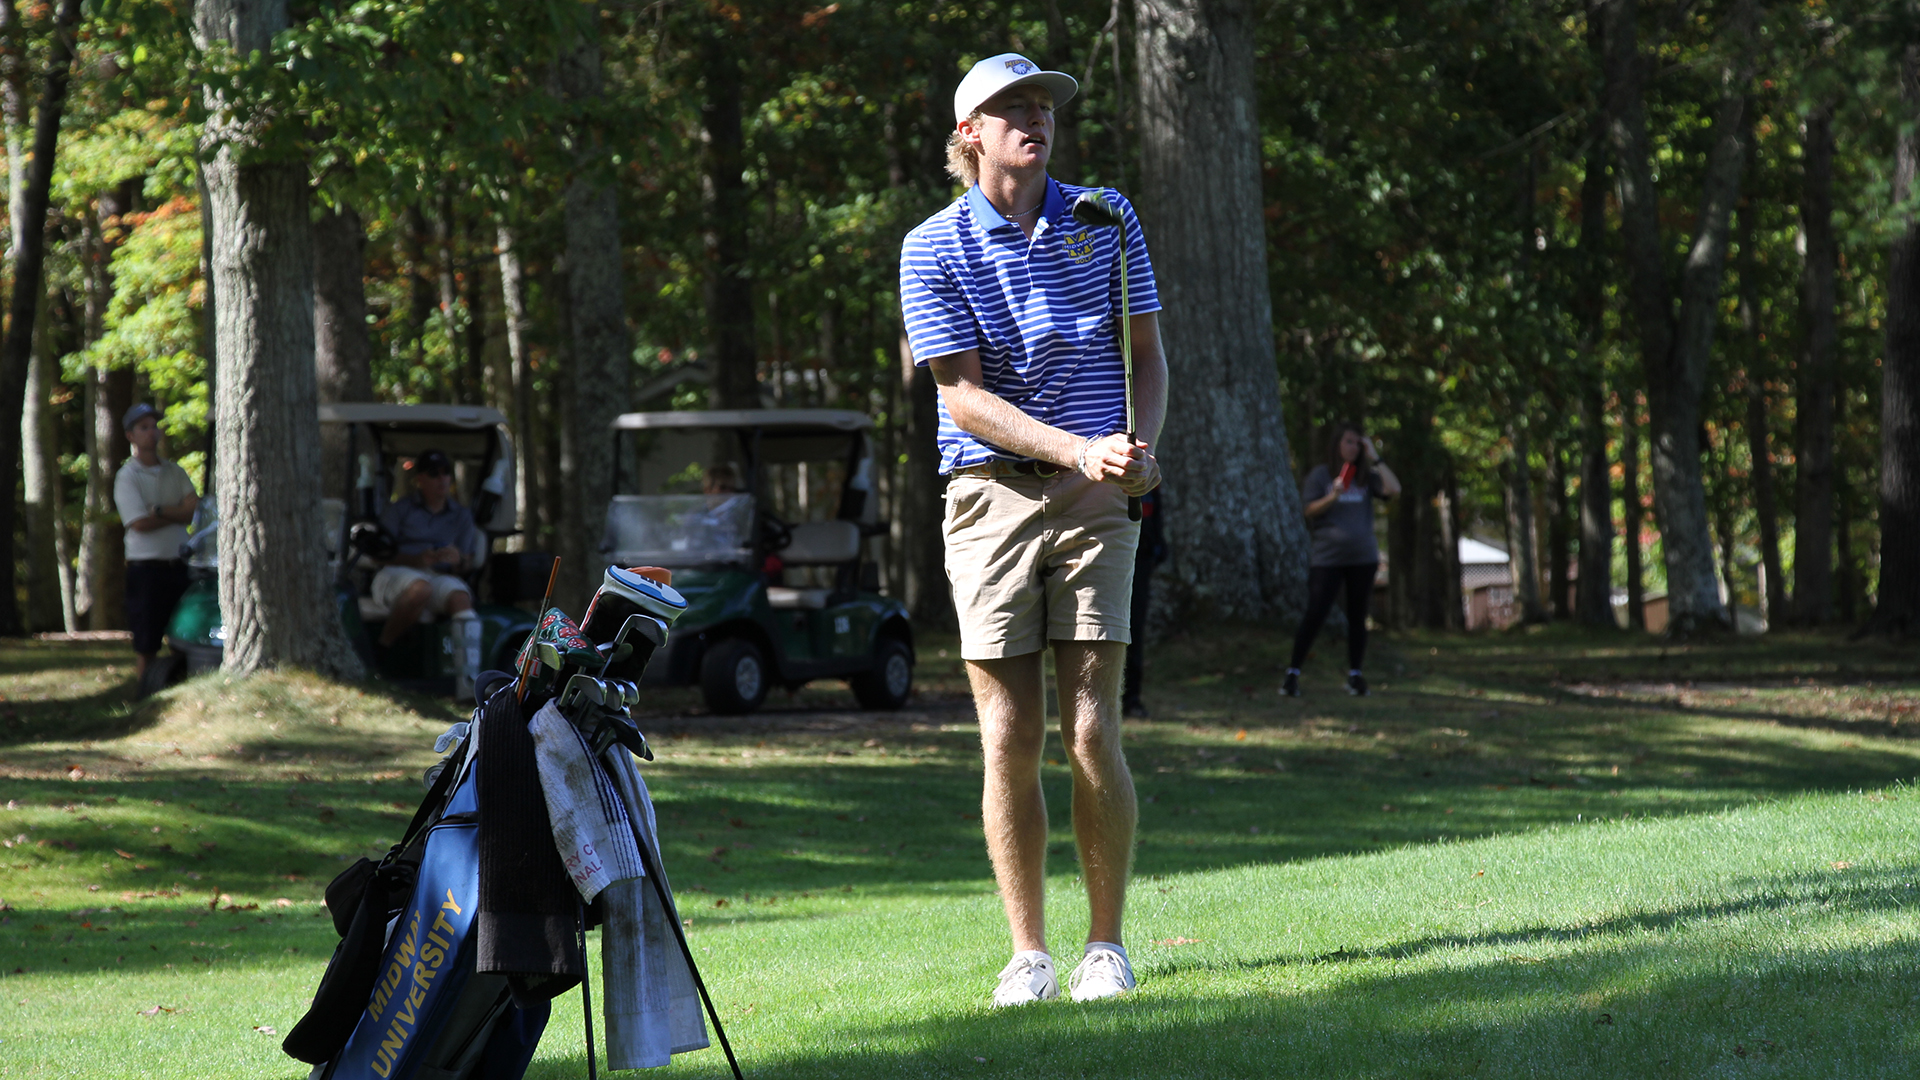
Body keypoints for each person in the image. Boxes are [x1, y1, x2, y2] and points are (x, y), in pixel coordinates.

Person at [899, 51, 1166, 1007]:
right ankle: (1029, 954)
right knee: (1009, 736)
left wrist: (1135, 449)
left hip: (1098, 498)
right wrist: (1075, 448)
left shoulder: (1106, 218)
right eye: (1013, 108)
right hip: (988, 499)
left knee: (1093, 730)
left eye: (1044, 105)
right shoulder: (931, 246)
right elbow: (964, 399)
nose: (1036, 120)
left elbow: (1147, 357)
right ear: (969, 133)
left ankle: (1105, 947)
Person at [1283, 424, 1400, 697]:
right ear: (1337, 444)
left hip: (1363, 558)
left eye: (1358, 444)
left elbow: (1394, 489)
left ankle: (1356, 675)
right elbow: (1309, 510)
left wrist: (1376, 458)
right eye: (1349, 442)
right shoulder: (1320, 475)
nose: (1354, 447)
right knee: (1316, 613)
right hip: (1328, 558)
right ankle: (1292, 674)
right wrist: (1332, 496)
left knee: (1358, 616)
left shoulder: (1366, 477)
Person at [113, 403, 198, 682]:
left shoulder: (175, 471)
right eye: (144, 427)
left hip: (180, 565)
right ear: (131, 436)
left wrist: (160, 510)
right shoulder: (127, 477)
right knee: (147, 641)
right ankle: (143, 696)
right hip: (146, 569)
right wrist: (176, 514)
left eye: (154, 426)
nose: (152, 432)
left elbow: (192, 510)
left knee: (183, 636)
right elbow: (138, 522)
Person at [371, 449, 478, 649]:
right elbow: (378, 556)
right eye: (433, 473)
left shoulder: (461, 515)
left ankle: (468, 674)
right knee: (421, 589)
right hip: (397, 573)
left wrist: (459, 560)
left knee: (461, 599)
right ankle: (381, 651)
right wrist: (416, 560)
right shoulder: (399, 510)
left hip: (438, 575)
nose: (442, 478)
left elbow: (467, 563)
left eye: (446, 472)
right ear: (420, 479)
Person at [1121, 488, 1166, 718]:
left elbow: (1155, 511)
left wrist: (1158, 542)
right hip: (1110, 554)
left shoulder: (1148, 469)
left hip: (1141, 557)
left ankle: (1131, 698)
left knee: (1134, 629)